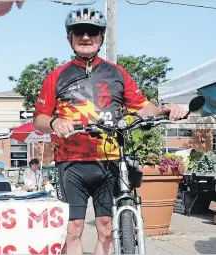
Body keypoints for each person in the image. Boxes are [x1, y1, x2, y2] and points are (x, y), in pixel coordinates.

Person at [33, 7, 187, 255]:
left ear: (101, 37)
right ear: (69, 37)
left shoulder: (117, 73)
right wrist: (54, 123)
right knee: (73, 229)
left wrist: (165, 109)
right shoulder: (56, 76)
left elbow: (142, 107)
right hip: (70, 163)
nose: (86, 37)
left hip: (110, 160)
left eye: (92, 32)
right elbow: (38, 119)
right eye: (79, 31)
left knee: (106, 228)